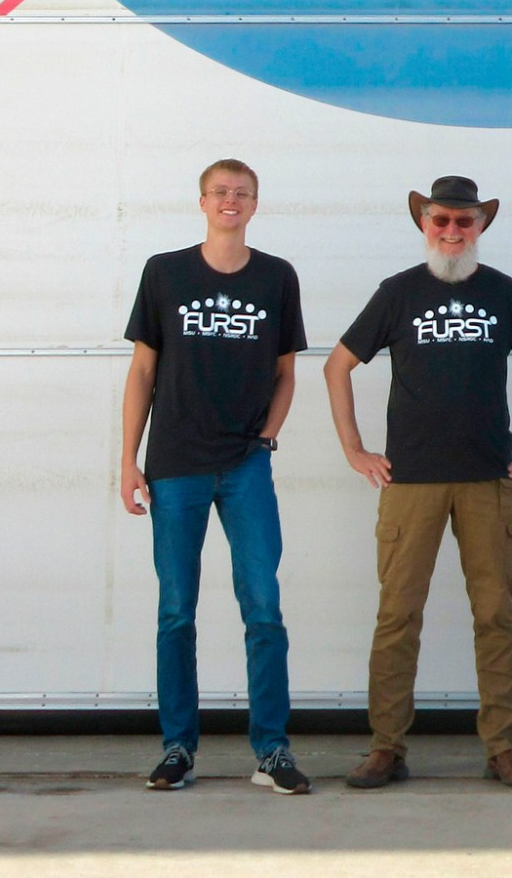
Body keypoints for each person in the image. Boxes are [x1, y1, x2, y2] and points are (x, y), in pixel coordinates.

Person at [324, 175, 512, 791]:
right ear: (424, 224)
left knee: (495, 616)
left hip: (488, 480)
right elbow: (338, 365)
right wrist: (354, 450)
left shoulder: (503, 293)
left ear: (480, 226)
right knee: (398, 616)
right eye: (442, 221)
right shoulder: (398, 292)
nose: (453, 232)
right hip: (410, 483)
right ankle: (386, 748)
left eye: (465, 222)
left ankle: (503, 748)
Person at [120, 158, 311, 795]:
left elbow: (287, 372)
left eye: (243, 193)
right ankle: (178, 748)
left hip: (245, 466)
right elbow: (143, 372)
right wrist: (129, 460)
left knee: (263, 608)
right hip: (175, 465)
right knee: (176, 611)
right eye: (221, 192)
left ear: (255, 203)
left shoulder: (277, 277)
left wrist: (265, 439)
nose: (231, 201)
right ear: (202, 201)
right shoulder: (164, 272)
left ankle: (272, 752)